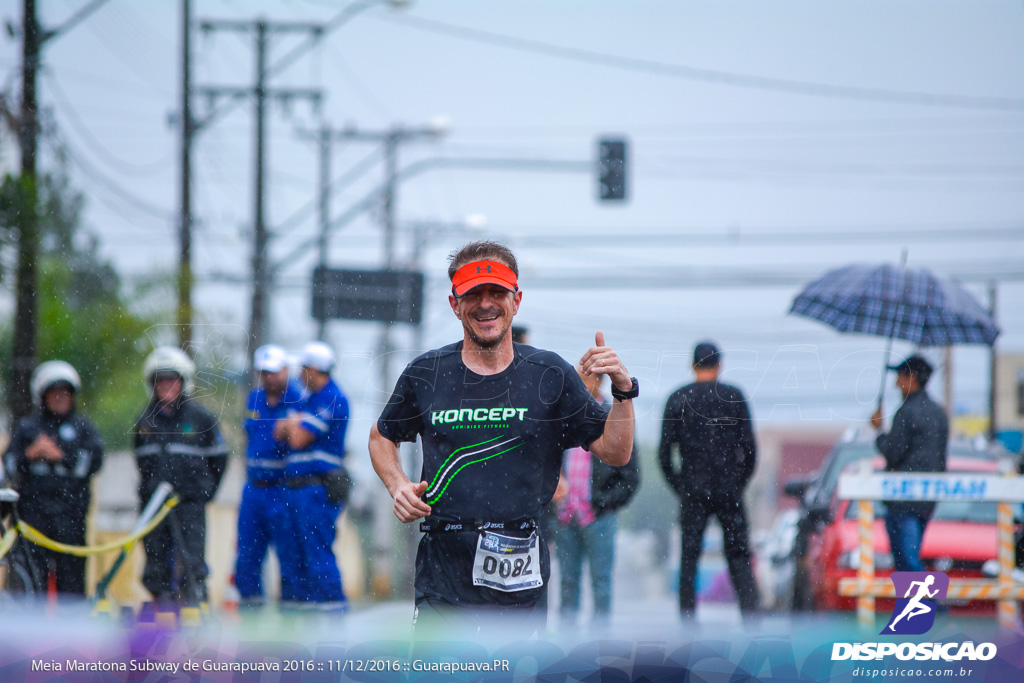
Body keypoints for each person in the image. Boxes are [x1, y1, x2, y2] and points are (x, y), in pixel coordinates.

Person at [368, 240, 637, 634]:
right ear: (454, 303)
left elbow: (615, 452)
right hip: (444, 567)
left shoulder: (549, 374)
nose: (486, 304)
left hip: (521, 567)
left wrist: (623, 392)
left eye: (497, 292)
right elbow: (381, 436)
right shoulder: (427, 372)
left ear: (517, 300)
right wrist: (397, 486)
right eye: (473, 294)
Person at [659, 341, 760, 618]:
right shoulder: (734, 397)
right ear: (719, 365)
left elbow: (664, 455)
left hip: (693, 489)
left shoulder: (678, 399)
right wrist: (738, 483)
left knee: (689, 558)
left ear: (693, 365)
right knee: (739, 556)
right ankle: (751, 618)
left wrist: (681, 486)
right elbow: (750, 451)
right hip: (729, 489)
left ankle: (688, 622)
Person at [133, 346, 228, 604]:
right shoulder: (144, 420)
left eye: (172, 379)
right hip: (155, 506)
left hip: (189, 506)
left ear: (184, 381)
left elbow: (219, 460)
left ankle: (194, 608)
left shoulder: (201, 418)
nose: (166, 386)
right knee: (155, 565)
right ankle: (160, 607)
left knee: (192, 563)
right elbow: (142, 464)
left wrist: (202, 492)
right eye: (160, 380)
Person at [3, 361, 104, 599]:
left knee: (72, 584)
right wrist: (31, 455)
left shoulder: (83, 428)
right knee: (28, 581)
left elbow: (95, 462)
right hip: (31, 519)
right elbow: (8, 465)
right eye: (54, 391)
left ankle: (71, 633)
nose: (60, 397)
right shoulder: (27, 427)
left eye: (65, 392)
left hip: (71, 518)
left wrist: (61, 457)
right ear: (43, 395)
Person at [555, 369, 640, 627]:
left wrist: (603, 503)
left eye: (584, 380)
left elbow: (630, 477)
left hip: (599, 517)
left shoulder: (612, 417)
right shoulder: (564, 415)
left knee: (601, 582)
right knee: (567, 582)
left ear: (599, 381)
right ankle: (567, 643)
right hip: (564, 515)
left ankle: (599, 645)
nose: (579, 386)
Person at [272, 341, 351, 611]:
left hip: (316, 489)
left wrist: (292, 424)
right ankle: (301, 625)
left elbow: (296, 438)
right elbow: (278, 431)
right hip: (297, 489)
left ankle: (333, 619)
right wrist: (292, 424)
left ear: (314, 369)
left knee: (317, 555)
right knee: (295, 559)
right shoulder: (309, 399)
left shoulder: (332, 396)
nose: (298, 374)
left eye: (302, 368)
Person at [234, 344, 306, 606]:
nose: (269, 378)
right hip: (254, 489)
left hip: (283, 490)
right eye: (264, 373)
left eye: (274, 372)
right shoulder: (253, 399)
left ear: (286, 370)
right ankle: (250, 614)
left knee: (290, 557)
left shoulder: (299, 399)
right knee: (247, 556)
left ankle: (291, 615)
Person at [870, 355, 948, 573]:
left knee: (906, 560)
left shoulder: (906, 412)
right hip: (928, 498)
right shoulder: (939, 413)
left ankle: (930, 604)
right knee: (909, 557)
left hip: (903, 499)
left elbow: (893, 453)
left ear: (912, 378)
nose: (896, 383)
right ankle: (917, 605)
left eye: (900, 377)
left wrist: (879, 430)